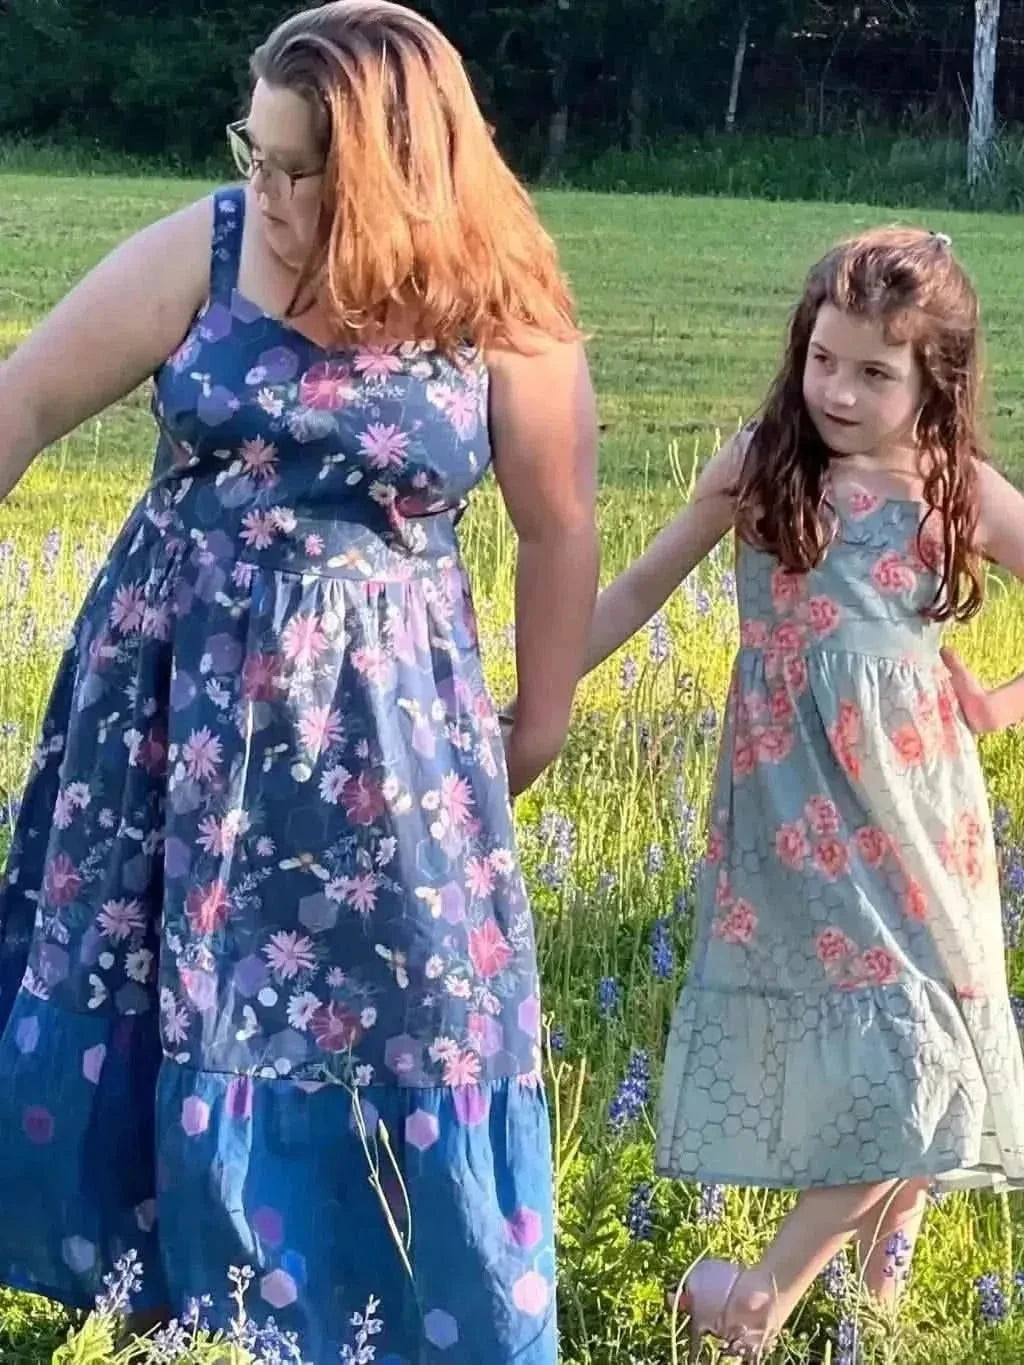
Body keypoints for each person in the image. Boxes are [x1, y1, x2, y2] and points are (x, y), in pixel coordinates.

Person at [0, 3, 599, 1360]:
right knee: (155, 986)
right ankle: (165, 1304)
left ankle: (386, 1308)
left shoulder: (501, 304)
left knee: (405, 1013)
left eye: (293, 167)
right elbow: (22, 400)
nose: (258, 188)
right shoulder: (209, 251)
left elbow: (558, 523)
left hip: (385, 749)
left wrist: (544, 716)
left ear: (389, 170)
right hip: (168, 725)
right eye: (250, 151)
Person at [581, 226, 1024, 1357]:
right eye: (823, 359)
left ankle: (795, 1300)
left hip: (920, 812)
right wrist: (534, 696)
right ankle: (812, 1303)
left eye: (875, 372)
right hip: (795, 816)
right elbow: (636, 585)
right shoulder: (757, 467)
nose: (837, 388)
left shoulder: (950, 489)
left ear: (935, 380)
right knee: (889, 1057)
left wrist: (1000, 703)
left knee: (929, 1052)